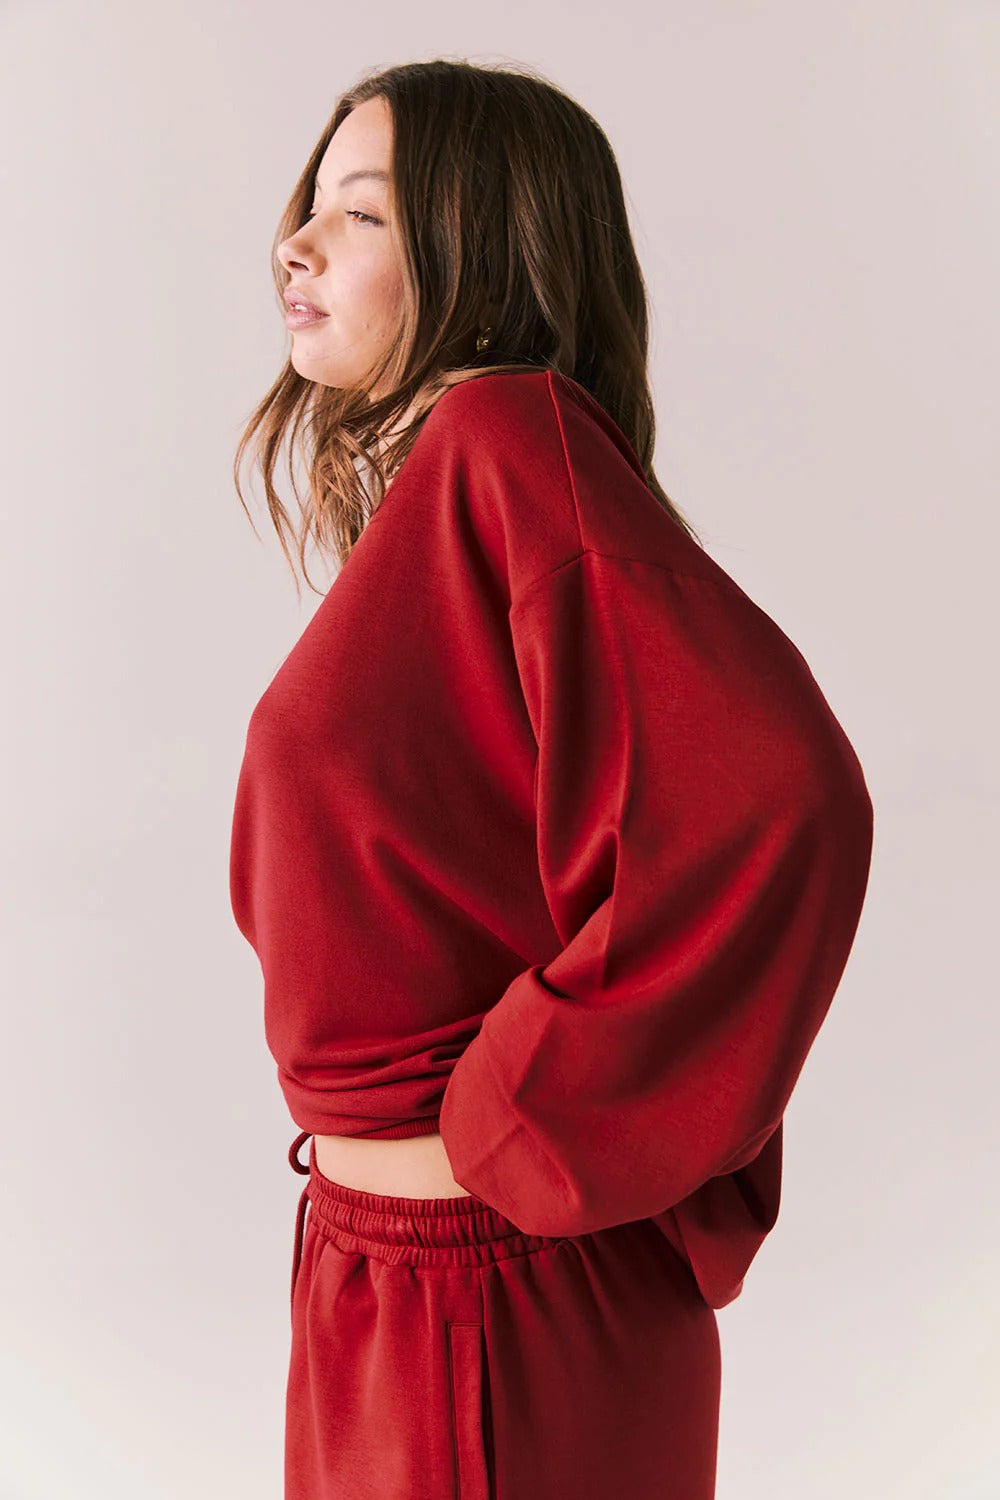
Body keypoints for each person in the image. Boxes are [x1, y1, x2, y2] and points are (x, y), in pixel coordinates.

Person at [229, 58, 874, 1500]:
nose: (297, 243)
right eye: (311, 203)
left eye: (363, 213)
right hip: (384, 1274)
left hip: (492, 1296)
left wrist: (519, 1119)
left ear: (482, 253)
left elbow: (782, 797)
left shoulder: (508, 435)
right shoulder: (440, 491)